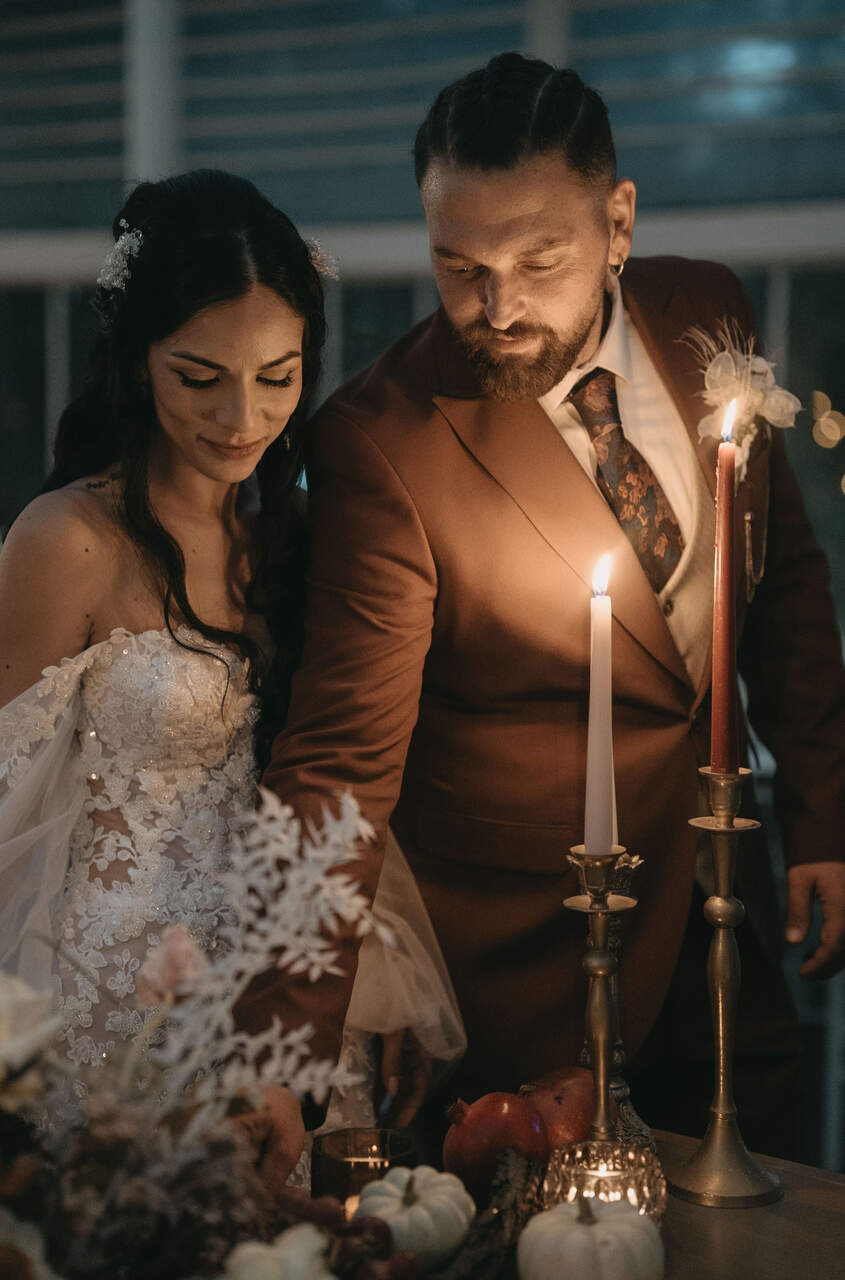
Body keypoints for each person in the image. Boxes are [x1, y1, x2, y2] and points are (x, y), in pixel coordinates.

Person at [245, 54, 845, 1158]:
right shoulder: (381, 441)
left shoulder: (706, 302)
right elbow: (338, 760)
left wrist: (825, 808)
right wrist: (279, 1049)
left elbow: (785, 577)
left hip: (730, 911)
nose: (498, 306)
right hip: (524, 971)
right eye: (458, 265)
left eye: (538, 258)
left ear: (617, 222)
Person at [0, 169, 462, 1178]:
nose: (243, 417)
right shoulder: (66, 538)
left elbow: (333, 782)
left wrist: (368, 969)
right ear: (133, 360)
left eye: (279, 376)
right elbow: (0, 812)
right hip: (111, 1000)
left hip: (273, 995)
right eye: (200, 378)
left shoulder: (295, 540)